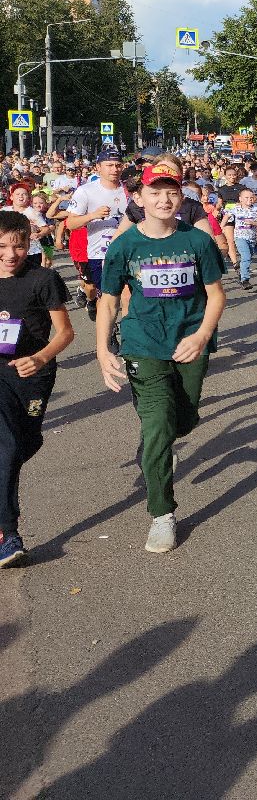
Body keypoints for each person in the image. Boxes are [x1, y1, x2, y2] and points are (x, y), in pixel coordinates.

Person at [96, 164, 226, 554]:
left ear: (181, 198)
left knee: (182, 420)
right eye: (155, 193)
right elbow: (107, 301)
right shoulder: (124, 246)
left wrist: (202, 335)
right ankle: (162, 514)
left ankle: (157, 446)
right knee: (157, 426)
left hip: (190, 343)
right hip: (142, 344)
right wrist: (103, 350)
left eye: (171, 192)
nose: (164, 199)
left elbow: (217, 295)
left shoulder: (197, 241)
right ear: (138, 200)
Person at [0, 211, 75, 568]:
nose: (10, 254)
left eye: (18, 246)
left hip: (34, 375)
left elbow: (65, 333)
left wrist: (41, 358)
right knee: (8, 446)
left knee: (26, 443)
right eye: (1, 247)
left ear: (29, 243)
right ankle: (7, 533)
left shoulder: (42, 279)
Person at [65, 148, 128, 322]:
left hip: (128, 251)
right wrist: (93, 215)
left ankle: (129, 333)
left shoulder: (129, 190)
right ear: (98, 167)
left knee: (128, 295)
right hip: (99, 253)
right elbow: (70, 223)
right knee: (107, 297)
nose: (114, 169)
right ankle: (109, 332)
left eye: (118, 165)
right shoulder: (85, 191)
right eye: (109, 165)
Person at [225, 187, 257, 290]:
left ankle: (242, 274)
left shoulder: (256, 209)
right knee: (246, 256)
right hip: (239, 237)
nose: (249, 200)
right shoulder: (236, 208)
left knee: (248, 257)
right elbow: (226, 216)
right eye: (246, 197)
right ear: (240, 199)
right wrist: (221, 228)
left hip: (252, 238)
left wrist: (253, 223)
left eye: (251, 197)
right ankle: (245, 280)